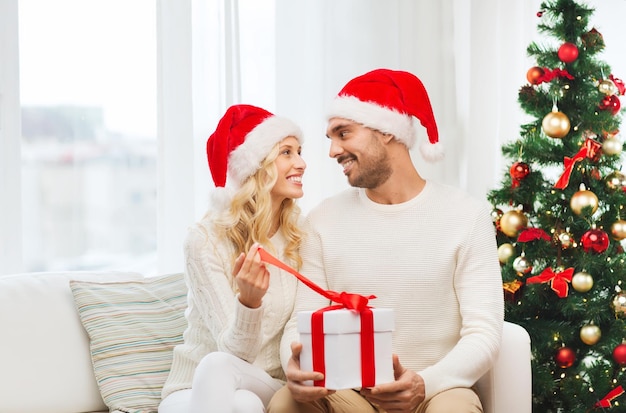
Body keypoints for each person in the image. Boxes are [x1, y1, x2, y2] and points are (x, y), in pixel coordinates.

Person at [267, 68, 504, 413]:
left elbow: (484, 334)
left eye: (343, 133)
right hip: (348, 394)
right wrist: (299, 367)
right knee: (287, 401)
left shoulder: (465, 215)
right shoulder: (322, 220)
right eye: (331, 138)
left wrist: (425, 383)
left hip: (435, 392)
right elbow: (301, 321)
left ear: (388, 132)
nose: (332, 151)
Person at [159, 104, 307, 413]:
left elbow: (241, 360)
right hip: (192, 388)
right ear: (257, 167)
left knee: (231, 379)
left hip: (265, 381)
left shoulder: (298, 236)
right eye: (287, 153)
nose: (301, 163)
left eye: (299, 151)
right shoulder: (204, 240)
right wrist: (248, 303)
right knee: (241, 401)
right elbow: (232, 352)